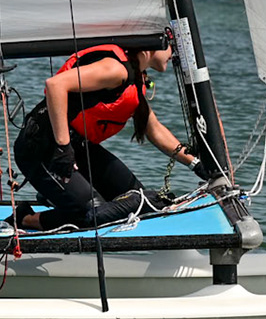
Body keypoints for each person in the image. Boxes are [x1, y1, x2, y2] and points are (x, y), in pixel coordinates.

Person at [12, 41, 216, 231]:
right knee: (94, 215)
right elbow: (55, 85)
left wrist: (195, 164)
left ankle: (58, 196)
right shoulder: (115, 69)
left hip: (77, 148)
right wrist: (63, 147)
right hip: (42, 148)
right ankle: (26, 218)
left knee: (139, 200)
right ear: (150, 46)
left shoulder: (136, 77)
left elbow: (154, 129)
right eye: (170, 45)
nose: (174, 52)